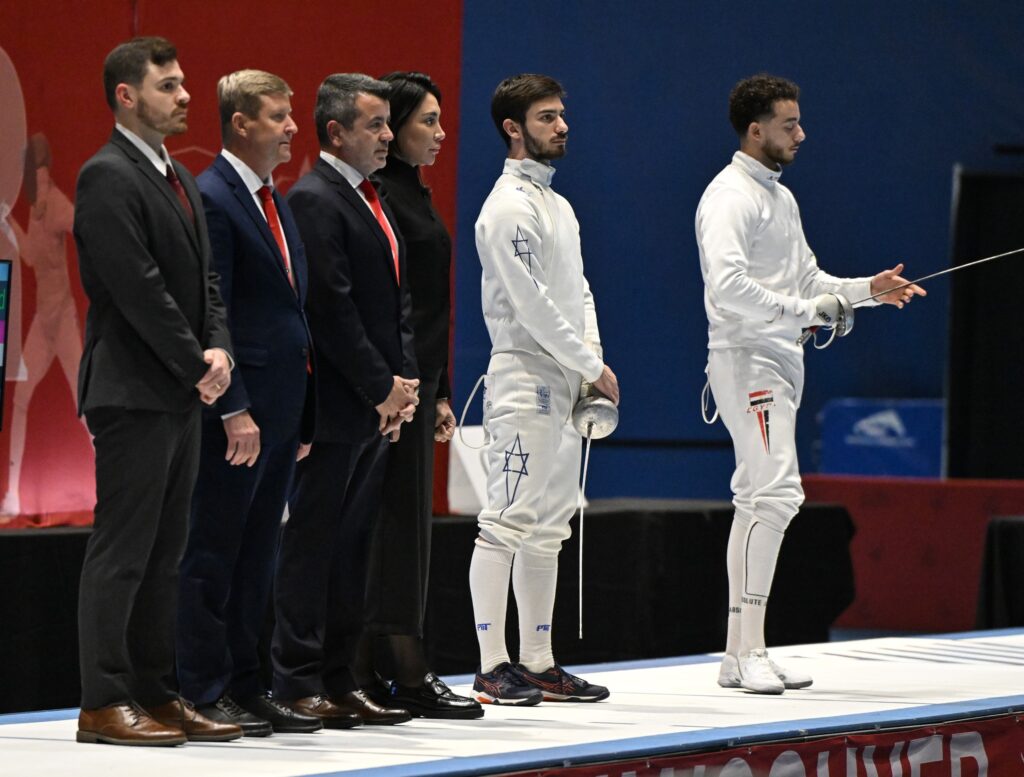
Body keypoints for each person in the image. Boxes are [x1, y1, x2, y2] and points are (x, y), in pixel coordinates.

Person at [695, 73, 925, 694]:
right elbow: (728, 287)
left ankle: (739, 653)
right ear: (756, 129)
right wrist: (808, 311)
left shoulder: (780, 199)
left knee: (757, 498)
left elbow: (808, 281)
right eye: (789, 124)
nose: (801, 134)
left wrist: (866, 292)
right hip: (748, 359)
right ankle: (748, 649)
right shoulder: (729, 197)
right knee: (775, 495)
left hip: (779, 359)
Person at [73, 37, 239, 745]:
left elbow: (206, 282)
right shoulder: (106, 175)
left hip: (175, 389)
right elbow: (135, 288)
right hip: (132, 389)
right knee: (124, 551)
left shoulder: (176, 174)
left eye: (182, 82)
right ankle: (103, 700)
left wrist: (220, 348)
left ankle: (155, 692)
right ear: (126, 95)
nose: (185, 95)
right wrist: (195, 363)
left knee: (166, 552)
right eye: (167, 85)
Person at [175, 69, 320, 737]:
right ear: (240, 123)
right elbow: (216, 311)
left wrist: (302, 414)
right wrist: (233, 405)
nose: (292, 127)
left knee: (258, 553)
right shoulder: (213, 196)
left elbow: (292, 310)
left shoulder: (271, 198)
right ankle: (201, 689)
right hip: (240, 412)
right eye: (278, 116)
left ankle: (245, 683)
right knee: (215, 550)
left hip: (280, 409)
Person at [468, 73, 620, 706]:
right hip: (523, 378)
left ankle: (537, 662)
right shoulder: (507, 207)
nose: (562, 126)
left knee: (550, 526)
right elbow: (531, 304)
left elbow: (577, 291)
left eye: (561, 114)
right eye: (547, 117)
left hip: (563, 380)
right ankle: (490, 666)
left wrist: (591, 364)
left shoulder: (559, 206)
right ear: (514, 127)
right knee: (506, 521)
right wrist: (586, 362)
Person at [272, 73, 417, 728]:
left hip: (373, 406)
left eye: (388, 123)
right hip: (335, 407)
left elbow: (397, 302)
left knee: (353, 547)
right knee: (313, 545)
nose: (389, 135)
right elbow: (331, 309)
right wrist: (380, 385)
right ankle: (296, 678)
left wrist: (403, 385)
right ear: (336, 132)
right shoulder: (314, 198)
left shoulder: (370, 195)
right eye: (375, 125)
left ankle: (340, 677)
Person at [357, 71, 481, 719]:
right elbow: (392, 306)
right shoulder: (381, 197)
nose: (439, 132)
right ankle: (396, 666)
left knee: (404, 527)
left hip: (416, 382)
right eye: (426, 120)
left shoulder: (412, 193)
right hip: (388, 385)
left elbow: (432, 308)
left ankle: (385, 664)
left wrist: (440, 391)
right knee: (390, 527)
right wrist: (403, 385)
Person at [1, 134, 88, 519]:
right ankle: (13, 496)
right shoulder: (36, 210)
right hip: (42, 321)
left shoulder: (56, 203)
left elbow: (83, 226)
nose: (40, 183)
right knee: (20, 399)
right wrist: (7, 222)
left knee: (85, 404)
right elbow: (31, 257)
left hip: (63, 318)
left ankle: (112, 486)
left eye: (43, 175)